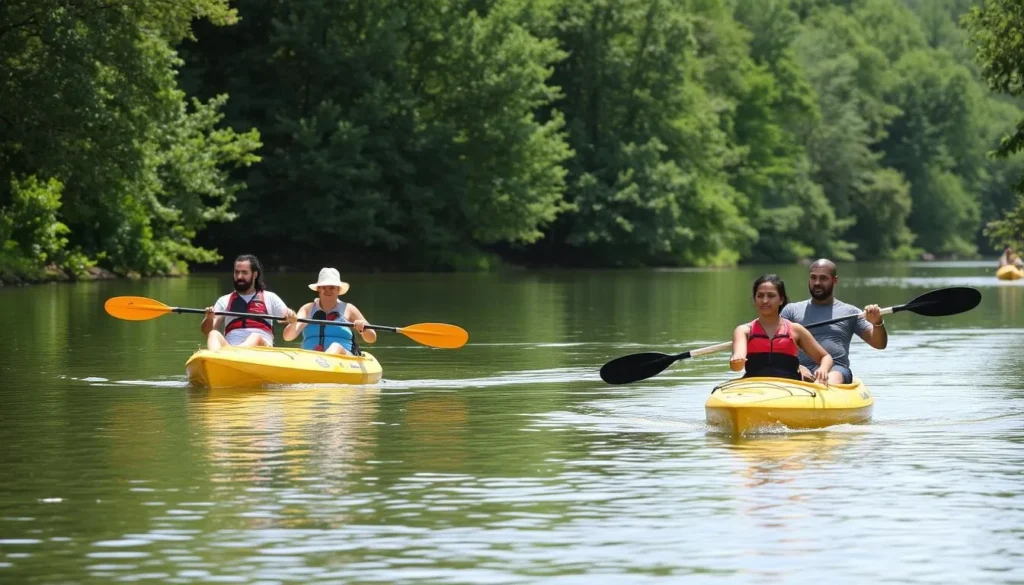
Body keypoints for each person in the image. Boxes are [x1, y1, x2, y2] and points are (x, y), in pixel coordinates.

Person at [780, 259, 886, 385]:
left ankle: (823, 390)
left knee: (830, 379)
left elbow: (879, 344)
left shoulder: (851, 312)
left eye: (823, 278)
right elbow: (776, 344)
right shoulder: (791, 311)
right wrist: (798, 368)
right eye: (813, 278)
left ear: (835, 280)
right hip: (800, 368)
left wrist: (877, 323)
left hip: (836, 370)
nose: (817, 283)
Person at [730, 274, 834, 383]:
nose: (765, 301)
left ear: (781, 300)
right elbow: (737, 367)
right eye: (760, 296)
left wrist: (823, 369)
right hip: (756, 388)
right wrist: (737, 361)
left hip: (790, 388)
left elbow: (826, 357)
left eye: (771, 296)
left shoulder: (795, 330)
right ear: (755, 299)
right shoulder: (744, 331)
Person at [201, 254, 297, 351]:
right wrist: (209, 318)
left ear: (254, 275)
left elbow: (289, 324)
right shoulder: (224, 300)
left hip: (261, 348)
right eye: (237, 272)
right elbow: (207, 331)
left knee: (255, 336)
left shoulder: (270, 298)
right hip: (230, 349)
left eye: (244, 273)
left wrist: (292, 318)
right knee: (213, 334)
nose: (239, 276)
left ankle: (234, 353)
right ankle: (215, 359)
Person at [282, 267, 376, 355]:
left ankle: (323, 362)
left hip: (343, 359)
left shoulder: (349, 309)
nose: (328, 290)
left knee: (335, 346)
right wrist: (293, 323)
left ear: (338, 290)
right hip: (311, 358)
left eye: (332, 287)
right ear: (318, 289)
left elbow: (372, 338)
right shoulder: (307, 309)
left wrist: (362, 329)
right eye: (324, 287)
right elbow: (288, 337)